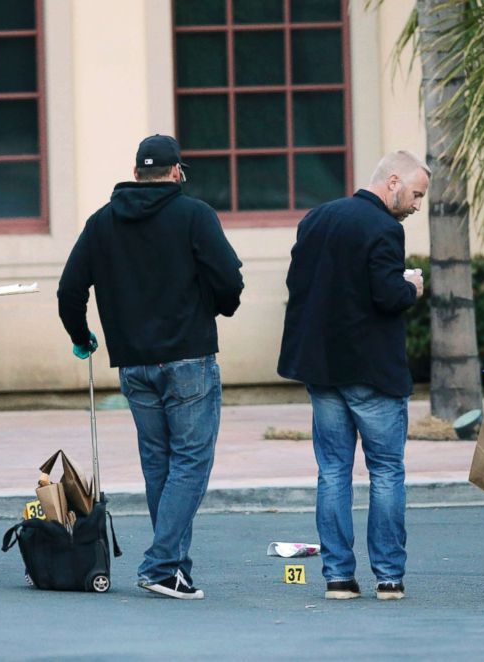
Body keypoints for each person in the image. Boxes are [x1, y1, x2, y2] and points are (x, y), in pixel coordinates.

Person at [57, 134, 243, 600]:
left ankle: (174, 567)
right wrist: (220, 307)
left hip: (134, 364)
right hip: (188, 358)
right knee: (191, 461)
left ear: (136, 172)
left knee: (159, 464)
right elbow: (228, 279)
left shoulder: (101, 223)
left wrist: (82, 338)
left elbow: (69, 291)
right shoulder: (195, 215)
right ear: (177, 172)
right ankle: (161, 565)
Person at [276, 151, 428, 601]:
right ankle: (388, 577)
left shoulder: (316, 219)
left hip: (322, 368)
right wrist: (411, 287)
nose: (417, 205)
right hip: (372, 372)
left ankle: (338, 577)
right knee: (385, 472)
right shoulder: (384, 227)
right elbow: (386, 295)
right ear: (393, 182)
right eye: (416, 194)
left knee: (333, 471)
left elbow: (299, 286)